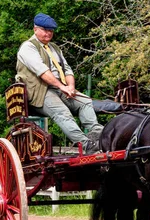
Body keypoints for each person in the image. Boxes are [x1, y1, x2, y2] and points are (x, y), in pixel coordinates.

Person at [16, 13, 103, 153]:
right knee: (62, 112)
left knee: (85, 101)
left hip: (59, 89)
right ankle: (86, 145)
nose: (48, 33)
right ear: (35, 29)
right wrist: (62, 87)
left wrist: (71, 87)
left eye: (51, 31)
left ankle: (98, 135)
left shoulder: (54, 48)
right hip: (39, 92)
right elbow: (42, 72)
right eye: (45, 30)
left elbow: (67, 70)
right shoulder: (28, 47)